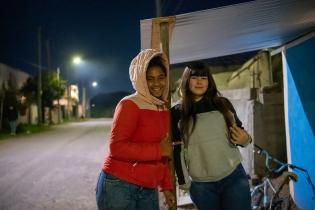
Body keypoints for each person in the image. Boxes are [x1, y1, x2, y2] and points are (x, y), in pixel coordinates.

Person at [96, 49, 175, 210]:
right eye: (150, 79)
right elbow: (116, 147)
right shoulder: (129, 104)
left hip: (148, 187)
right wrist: (158, 150)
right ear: (141, 80)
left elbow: (164, 153)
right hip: (119, 185)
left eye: (161, 77)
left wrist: (166, 188)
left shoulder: (163, 108)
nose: (157, 84)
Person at [171, 62, 252, 210]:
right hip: (202, 185)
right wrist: (184, 182)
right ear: (186, 81)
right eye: (195, 77)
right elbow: (177, 149)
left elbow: (241, 134)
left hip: (233, 176)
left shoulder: (223, 104)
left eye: (204, 77)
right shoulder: (177, 112)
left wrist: (245, 139)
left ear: (209, 81)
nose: (200, 81)